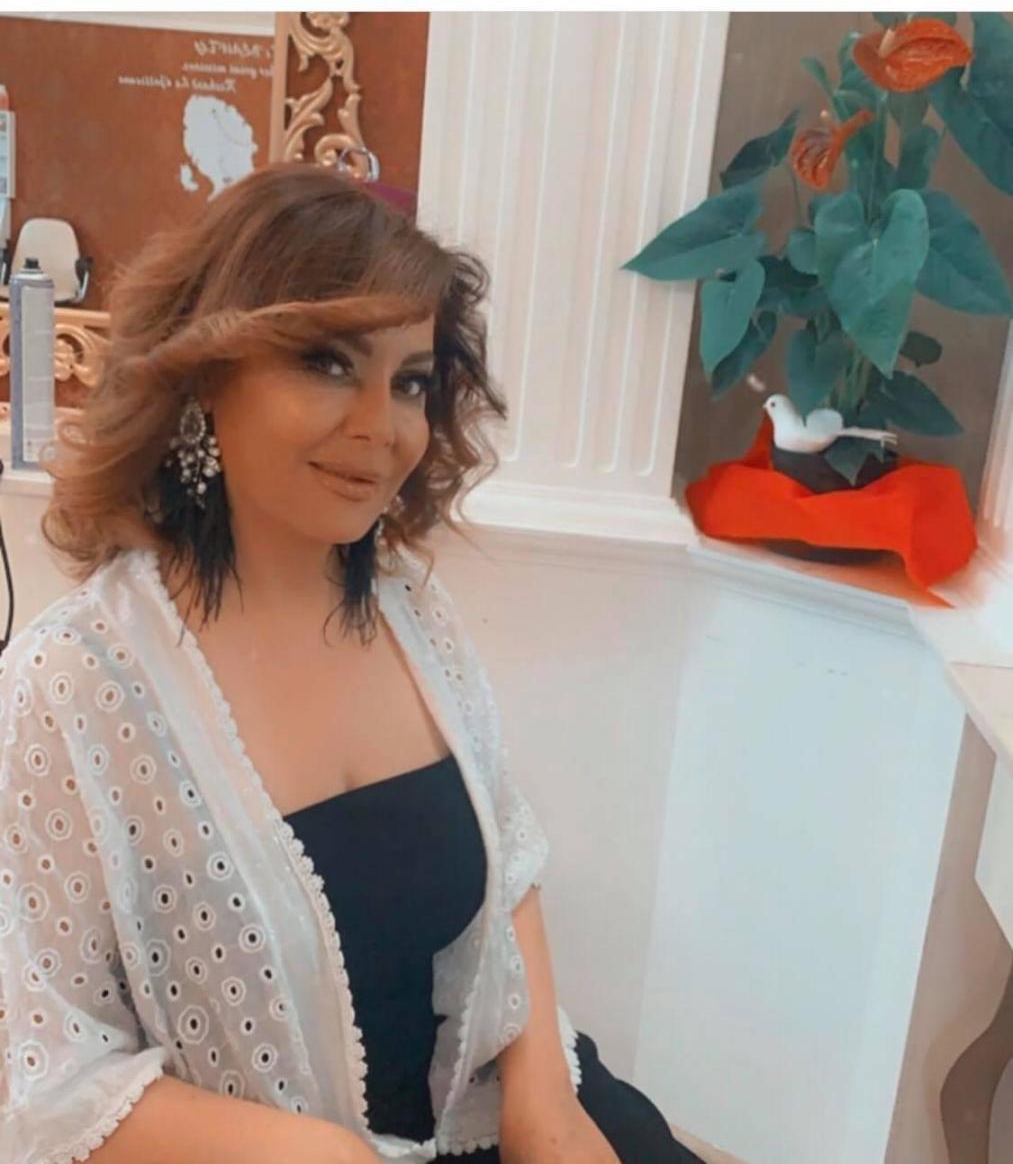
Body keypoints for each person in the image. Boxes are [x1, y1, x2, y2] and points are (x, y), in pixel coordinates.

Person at [0, 164, 704, 1163]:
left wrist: (543, 1096)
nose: (382, 427)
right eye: (328, 363)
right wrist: (326, 1154)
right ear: (204, 375)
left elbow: (507, 861)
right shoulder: (72, 684)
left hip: (487, 1107)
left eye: (409, 380)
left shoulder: (413, 611)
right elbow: (48, 1079)